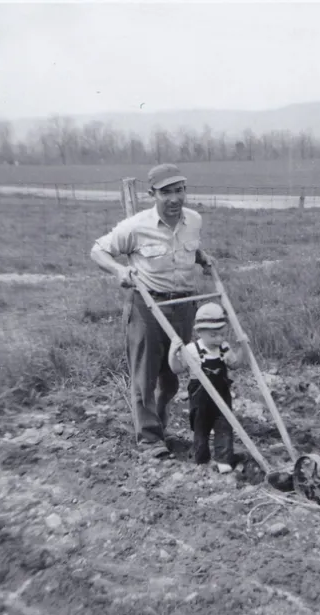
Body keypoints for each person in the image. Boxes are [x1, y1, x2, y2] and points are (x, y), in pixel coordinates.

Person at [90, 163, 213, 458]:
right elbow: (98, 250)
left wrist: (201, 257)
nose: (174, 198)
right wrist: (119, 270)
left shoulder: (194, 220)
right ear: (152, 194)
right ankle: (149, 438)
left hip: (182, 305)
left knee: (171, 375)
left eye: (179, 190)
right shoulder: (136, 226)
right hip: (147, 305)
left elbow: (187, 247)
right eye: (166, 192)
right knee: (144, 376)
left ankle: (158, 421)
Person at [168, 302, 246, 473]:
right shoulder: (192, 350)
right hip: (200, 398)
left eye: (222, 334)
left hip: (222, 394)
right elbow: (177, 369)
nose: (219, 339)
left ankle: (224, 459)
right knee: (200, 428)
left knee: (225, 425)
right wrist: (172, 353)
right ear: (199, 332)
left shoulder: (223, 347)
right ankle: (201, 459)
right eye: (213, 335)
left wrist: (242, 348)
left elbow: (234, 365)